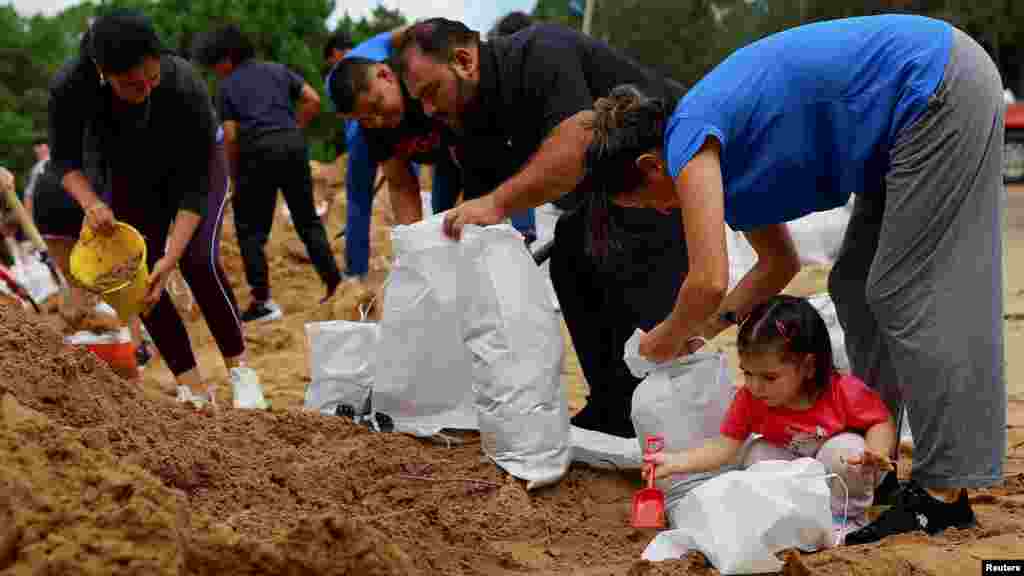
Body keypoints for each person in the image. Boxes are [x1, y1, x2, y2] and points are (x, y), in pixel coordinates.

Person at [560, 15, 1004, 542]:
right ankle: (875, 467)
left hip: (935, 88)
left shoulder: (688, 139)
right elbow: (778, 266)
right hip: (901, 121)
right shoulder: (726, 156)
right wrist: (706, 335)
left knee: (904, 290)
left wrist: (664, 339)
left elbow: (706, 281)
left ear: (651, 166)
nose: (659, 214)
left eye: (644, 203)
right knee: (856, 289)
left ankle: (944, 495)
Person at [396, 18, 688, 438]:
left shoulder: (540, 53)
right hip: (608, 199)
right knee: (571, 253)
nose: (427, 110)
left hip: (666, 178)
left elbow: (577, 145)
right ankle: (612, 406)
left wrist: (496, 203)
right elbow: (481, 212)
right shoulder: (469, 121)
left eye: (430, 92)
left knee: (624, 265)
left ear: (463, 61)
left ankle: (669, 420)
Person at [48, 9, 267, 409]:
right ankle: (193, 387)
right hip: (130, 172)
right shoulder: (70, 86)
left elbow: (199, 185)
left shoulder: (183, 81)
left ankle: (242, 374)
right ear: (103, 73)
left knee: (199, 261)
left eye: (152, 78)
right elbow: (63, 162)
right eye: (132, 86)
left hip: (196, 167)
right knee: (139, 278)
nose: (146, 89)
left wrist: (173, 254)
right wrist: (92, 203)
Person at [645, 295, 897, 539]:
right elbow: (724, 447)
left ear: (808, 366)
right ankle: (790, 514)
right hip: (798, 467)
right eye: (747, 373)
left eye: (769, 377)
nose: (755, 386)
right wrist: (676, 462)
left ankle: (847, 519)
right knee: (756, 453)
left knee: (843, 452)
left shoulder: (841, 391)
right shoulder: (750, 398)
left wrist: (874, 453)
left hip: (841, 473)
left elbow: (880, 420)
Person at [194, 24, 342, 321]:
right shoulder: (277, 70)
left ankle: (261, 301)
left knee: (251, 231)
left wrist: (232, 176)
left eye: (215, 64)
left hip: (255, 156)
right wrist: (294, 128)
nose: (215, 71)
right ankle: (335, 285)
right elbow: (312, 99)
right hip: (293, 148)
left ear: (226, 58)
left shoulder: (227, 87)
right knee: (307, 220)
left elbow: (231, 136)